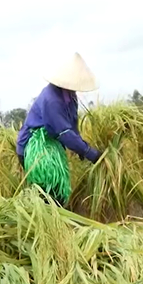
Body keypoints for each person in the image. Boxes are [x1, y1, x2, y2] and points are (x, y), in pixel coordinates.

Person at [16, 52, 102, 206]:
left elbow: (72, 125)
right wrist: (89, 152)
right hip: (36, 149)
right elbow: (63, 131)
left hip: (52, 146)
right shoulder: (52, 99)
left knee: (58, 192)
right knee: (51, 192)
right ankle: (50, 226)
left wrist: (80, 146)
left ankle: (56, 222)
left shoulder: (70, 96)